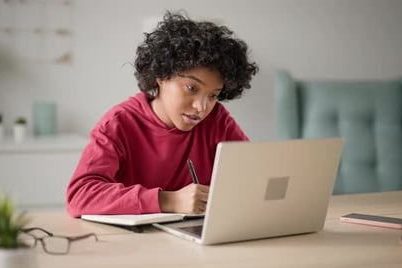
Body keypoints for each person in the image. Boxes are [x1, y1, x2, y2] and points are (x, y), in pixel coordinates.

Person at [66, 11, 258, 217]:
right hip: (134, 243)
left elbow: (254, 178)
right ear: (161, 76)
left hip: (197, 240)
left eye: (213, 95)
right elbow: (80, 196)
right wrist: (168, 200)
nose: (202, 107)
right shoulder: (119, 123)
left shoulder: (217, 120)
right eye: (191, 88)